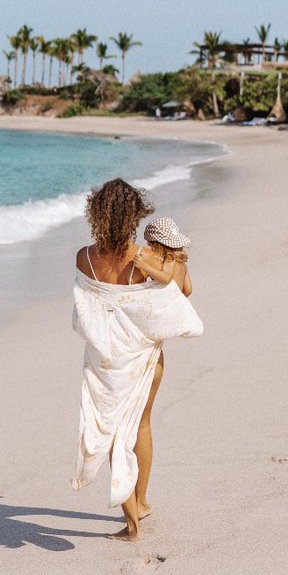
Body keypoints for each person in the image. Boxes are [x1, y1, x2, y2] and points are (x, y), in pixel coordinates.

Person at [71, 179, 202, 540]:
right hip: (147, 360)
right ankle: (140, 502)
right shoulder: (144, 258)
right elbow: (169, 303)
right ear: (135, 216)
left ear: (95, 214)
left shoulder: (84, 258)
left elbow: (87, 314)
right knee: (140, 426)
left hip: (108, 362)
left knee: (114, 434)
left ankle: (132, 525)